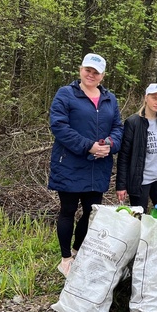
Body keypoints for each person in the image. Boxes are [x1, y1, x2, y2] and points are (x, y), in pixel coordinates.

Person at [48, 53, 123, 277]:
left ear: (103, 76)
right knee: (68, 211)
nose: (91, 74)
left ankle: (77, 251)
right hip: (69, 164)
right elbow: (59, 126)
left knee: (91, 212)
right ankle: (65, 259)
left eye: (96, 72)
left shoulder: (110, 99)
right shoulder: (66, 94)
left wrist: (110, 144)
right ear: (81, 70)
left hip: (98, 167)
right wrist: (88, 146)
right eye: (88, 70)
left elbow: (118, 128)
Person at [116, 83, 157, 213]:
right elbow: (124, 156)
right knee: (139, 217)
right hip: (140, 181)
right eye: (154, 98)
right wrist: (121, 185)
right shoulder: (133, 122)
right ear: (146, 98)